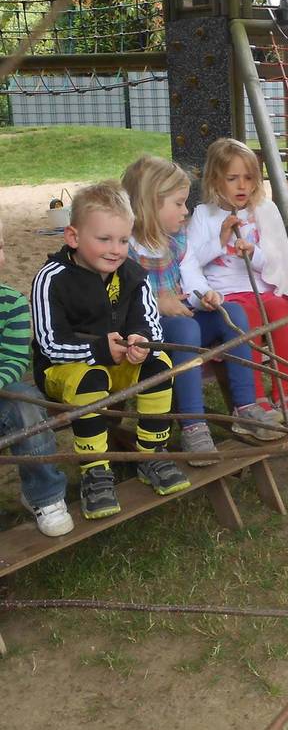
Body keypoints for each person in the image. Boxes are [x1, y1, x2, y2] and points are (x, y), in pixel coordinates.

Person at [30, 182, 189, 519]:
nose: (116, 250)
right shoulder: (51, 278)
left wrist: (140, 344)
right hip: (65, 371)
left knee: (159, 364)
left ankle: (151, 455)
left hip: (117, 366)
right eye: (104, 239)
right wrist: (101, 350)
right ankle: (96, 471)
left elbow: (150, 325)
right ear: (73, 237)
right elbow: (50, 343)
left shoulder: (133, 275)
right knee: (90, 380)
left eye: (122, 240)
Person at [122, 155, 281, 457]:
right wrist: (156, 302)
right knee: (185, 326)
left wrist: (205, 295)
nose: (186, 211)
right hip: (146, 332)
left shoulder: (177, 240)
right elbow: (119, 299)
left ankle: (245, 408)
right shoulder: (127, 246)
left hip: (183, 318)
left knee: (231, 312)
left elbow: (192, 274)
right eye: (179, 203)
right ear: (151, 203)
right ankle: (193, 423)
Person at [187, 138, 288, 422]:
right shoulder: (204, 215)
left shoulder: (262, 211)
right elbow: (191, 259)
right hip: (228, 294)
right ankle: (256, 398)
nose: (242, 186)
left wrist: (253, 253)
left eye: (248, 178)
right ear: (216, 180)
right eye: (232, 178)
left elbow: (276, 259)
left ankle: (283, 392)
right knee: (246, 316)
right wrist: (221, 239)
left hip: (261, 287)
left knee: (282, 310)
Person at [0, 217, 74, 536]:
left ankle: (45, 496)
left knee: (28, 404)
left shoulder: (12, 304)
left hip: (3, 393)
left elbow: (16, 359)